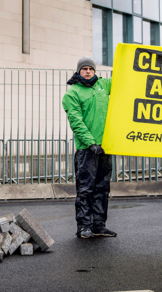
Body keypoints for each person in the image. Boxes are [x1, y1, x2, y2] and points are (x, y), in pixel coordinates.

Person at [62, 56, 116, 239]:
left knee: (103, 187)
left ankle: (99, 225)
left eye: (90, 69)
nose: (87, 71)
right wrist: (90, 142)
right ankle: (84, 226)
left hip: (105, 147)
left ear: (95, 71)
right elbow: (76, 122)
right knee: (86, 189)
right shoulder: (73, 94)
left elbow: (123, 76)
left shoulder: (103, 86)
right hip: (87, 150)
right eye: (84, 68)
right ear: (78, 72)